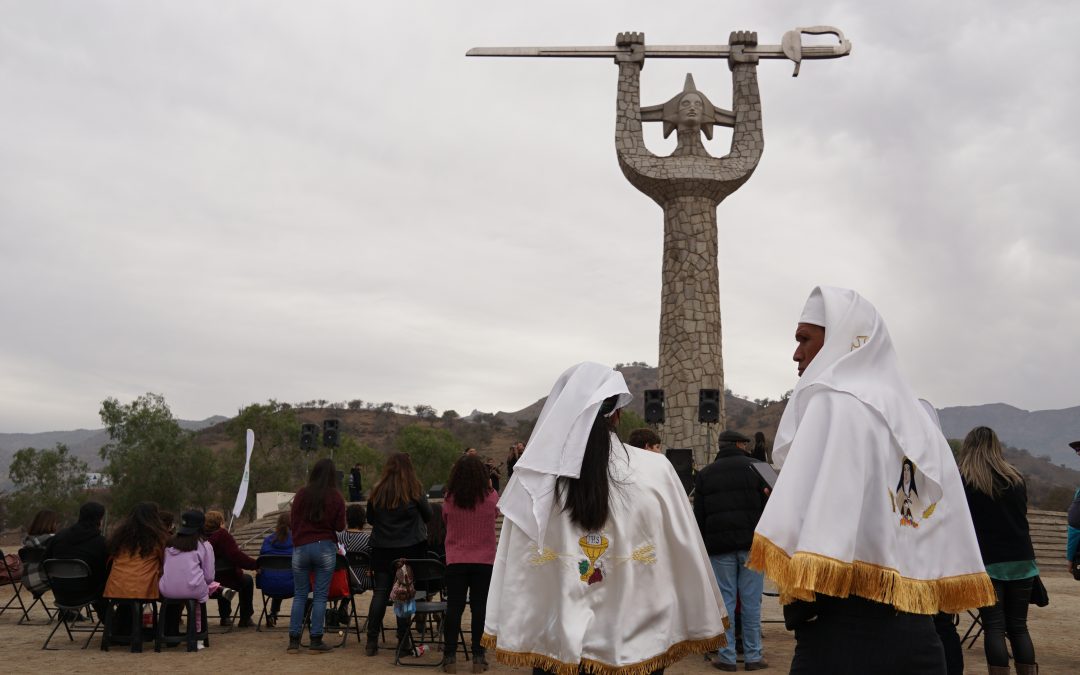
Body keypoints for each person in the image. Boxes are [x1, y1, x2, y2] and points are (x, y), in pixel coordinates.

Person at [748, 287, 996, 675]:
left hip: (841, 639)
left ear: (844, 339)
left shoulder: (833, 404)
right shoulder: (923, 421)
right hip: (922, 641)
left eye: (804, 339)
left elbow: (805, 537)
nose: (797, 354)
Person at [484, 362, 728, 674]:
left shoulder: (533, 483)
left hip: (559, 648)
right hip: (638, 645)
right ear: (616, 414)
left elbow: (519, 569)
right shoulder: (657, 470)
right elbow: (683, 550)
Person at [959, 426, 1039, 675]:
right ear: (996, 446)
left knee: (994, 626)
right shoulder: (1016, 479)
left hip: (988, 561)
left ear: (969, 447)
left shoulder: (965, 481)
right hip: (1022, 561)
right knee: (1019, 627)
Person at [695, 429, 769, 671]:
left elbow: (700, 515)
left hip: (719, 547)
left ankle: (727, 658)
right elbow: (772, 506)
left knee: (725, 603)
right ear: (738, 445)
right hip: (752, 546)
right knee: (751, 603)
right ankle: (753, 657)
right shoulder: (757, 468)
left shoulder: (705, 474)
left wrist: (704, 546)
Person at [364, 452, 433, 656]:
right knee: (404, 593)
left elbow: (370, 519)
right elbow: (428, 515)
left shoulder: (377, 491)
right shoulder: (415, 490)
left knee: (380, 593)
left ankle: (371, 641)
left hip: (382, 550)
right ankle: (403, 642)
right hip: (408, 551)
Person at [439, 454, 499, 673]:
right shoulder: (491, 496)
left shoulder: (449, 498)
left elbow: (445, 520)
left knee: (454, 607)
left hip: (456, 559)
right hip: (484, 560)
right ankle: (478, 656)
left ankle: (450, 657)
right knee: (479, 608)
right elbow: (496, 513)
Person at [287, 457, 347, 654]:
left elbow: (293, 521)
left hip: (301, 548)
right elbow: (339, 526)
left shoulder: (301, 494)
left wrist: (298, 540)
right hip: (324, 548)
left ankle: (294, 641)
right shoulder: (336, 497)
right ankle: (315, 640)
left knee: (300, 595)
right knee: (320, 596)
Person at [104, 502, 168, 636]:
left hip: (116, 586)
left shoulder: (119, 536)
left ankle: (121, 631)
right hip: (143, 587)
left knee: (127, 603)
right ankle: (156, 631)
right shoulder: (157, 537)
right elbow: (165, 562)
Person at [158, 510, 215, 644]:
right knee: (198, 596)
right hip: (193, 589)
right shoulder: (204, 545)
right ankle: (197, 634)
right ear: (202, 526)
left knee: (177, 592)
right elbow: (209, 576)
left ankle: (169, 635)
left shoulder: (170, 543)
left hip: (167, 589)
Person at [45, 501, 109, 618]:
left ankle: (68, 612)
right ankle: (108, 618)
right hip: (87, 593)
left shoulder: (59, 537)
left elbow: (45, 561)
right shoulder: (101, 542)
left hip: (60, 592)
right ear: (100, 519)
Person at [204, 509, 257, 628]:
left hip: (206, 583)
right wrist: (255, 565)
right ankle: (245, 617)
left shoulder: (200, 537)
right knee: (246, 580)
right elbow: (236, 556)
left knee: (221, 576)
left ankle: (225, 617)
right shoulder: (222, 535)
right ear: (220, 523)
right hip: (226, 582)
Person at [335, 503, 372, 625]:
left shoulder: (337, 537)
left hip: (340, 579)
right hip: (362, 580)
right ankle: (374, 618)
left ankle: (342, 606)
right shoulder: (367, 540)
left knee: (347, 577)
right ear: (363, 519)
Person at [257, 513, 293, 628]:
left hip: (268, 585)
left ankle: (273, 613)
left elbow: (260, 562)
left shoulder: (267, 540)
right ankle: (303, 616)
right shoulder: (297, 541)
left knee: (279, 575)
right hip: (293, 586)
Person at [21, 509, 60, 600]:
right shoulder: (53, 540)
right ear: (51, 523)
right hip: (44, 580)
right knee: (75, 578)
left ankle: (67, 611)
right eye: (55, 522)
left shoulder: (27, 541)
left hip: (27, 580)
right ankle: (69, 611)